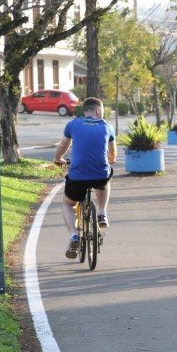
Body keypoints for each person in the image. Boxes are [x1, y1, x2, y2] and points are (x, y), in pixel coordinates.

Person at [54, 97, 117, 259]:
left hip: (77, 176)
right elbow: (113, 153)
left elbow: (63, 145)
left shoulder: (73, 124)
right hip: (99, 175)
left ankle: (74, 236)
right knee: (106, 176)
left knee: (68, 204)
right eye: (102, 111)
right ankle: (102, 213)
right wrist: (110, 160)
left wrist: (58, 159)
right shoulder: (107, 127)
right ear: (98, 111)